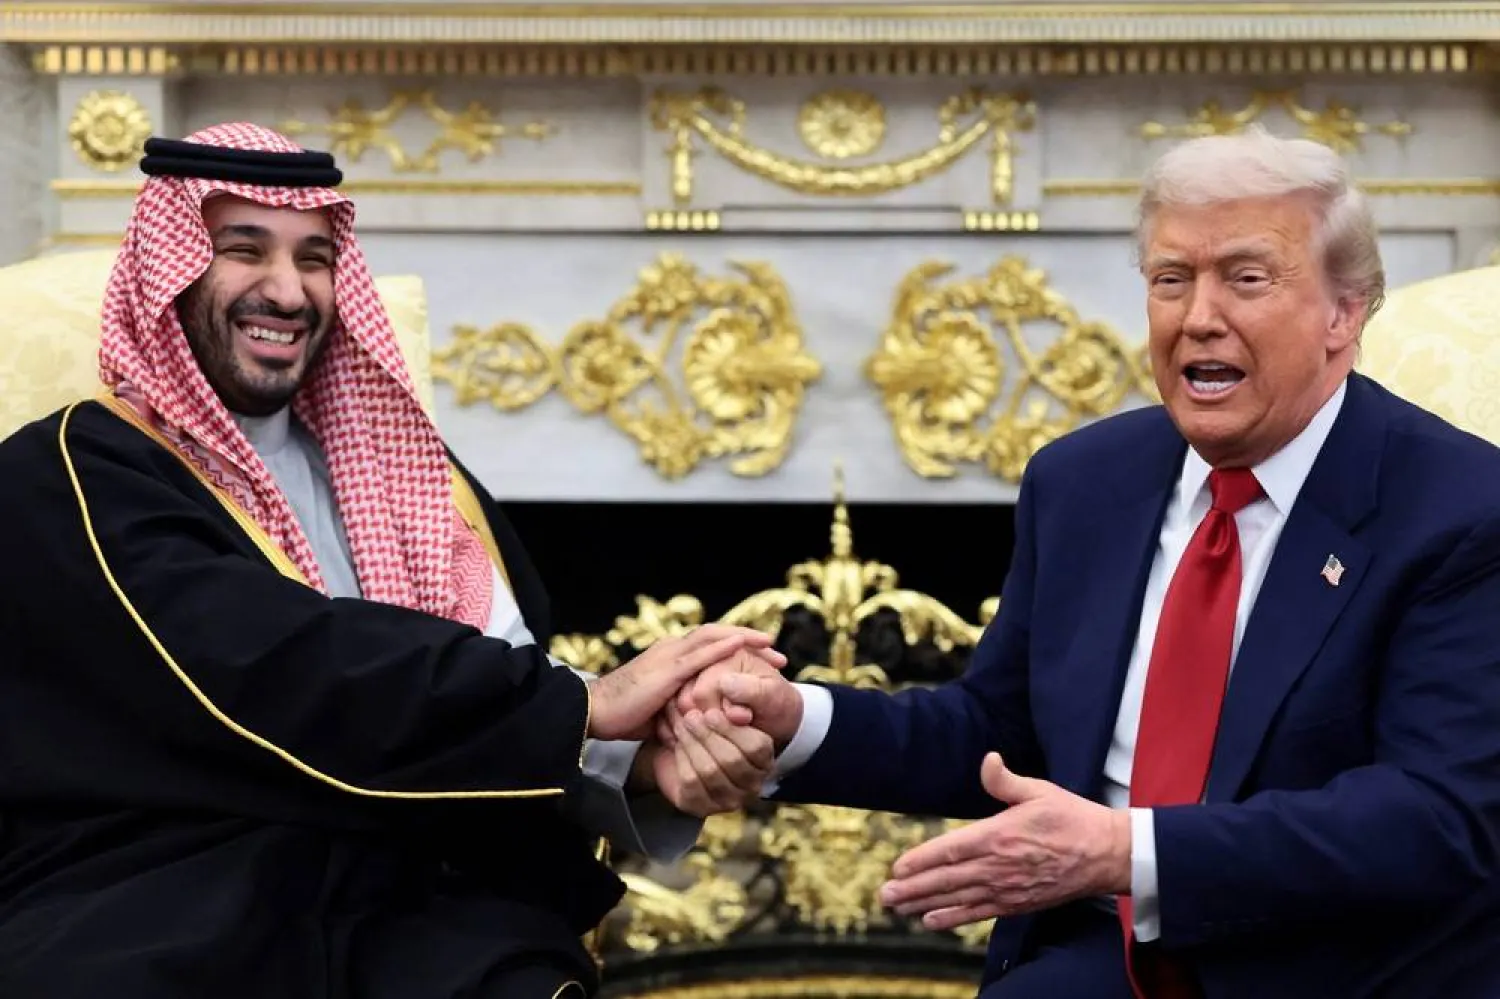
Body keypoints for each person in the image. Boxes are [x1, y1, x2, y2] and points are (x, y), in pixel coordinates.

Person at [684, 126, 1500, 997]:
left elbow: (1436, 818)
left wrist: (1125, 850)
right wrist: (795, 721)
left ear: (1345, 311)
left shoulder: (1459, 511)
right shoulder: (1084, 481)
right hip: (1098, 954)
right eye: (1171, 280)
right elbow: (1001, 732)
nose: (1199, 317)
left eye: (1247, 278)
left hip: (1328, 961)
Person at [0, 123, 778, 999]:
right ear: (166, 270)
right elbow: (274, 666)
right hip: (164, 895)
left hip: (411, 898)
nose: (288, 292)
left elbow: (505, 673)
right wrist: (587, 707)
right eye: (243, 249)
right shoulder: (71, 471)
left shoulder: (407, 474)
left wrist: (637, 767)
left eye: (316, 257)